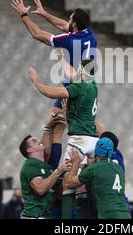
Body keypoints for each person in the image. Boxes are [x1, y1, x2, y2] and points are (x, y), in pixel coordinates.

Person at [11, 0, 98, 161]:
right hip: (88, 85)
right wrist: (44, 14)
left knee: (50, 129)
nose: (68, 20)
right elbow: (64, 25)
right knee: (65, 129)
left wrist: (24, 15)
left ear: (74, 24)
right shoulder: (88, 33)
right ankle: (106, 149)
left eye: (70, 18)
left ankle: (50, 168)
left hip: (74, 88)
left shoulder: (70, 40)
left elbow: (37, 34)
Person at [28, 59, 98, 218]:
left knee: (68, 183)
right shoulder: (92, 85)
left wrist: (36, 81)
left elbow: (49, 92)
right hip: (93, 140)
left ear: (82, 71)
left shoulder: (79, 88)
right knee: (86, 182)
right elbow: (74, 74)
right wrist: (61, 59)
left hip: (79, 140)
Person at [64, 138, 131, 219]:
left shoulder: (95, 168)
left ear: (97, 151)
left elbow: (69, 183)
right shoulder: (118, 168)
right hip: (125, 213)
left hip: (109, 215)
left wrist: (76, 163)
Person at [19, 134, 72, 219]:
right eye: (34, 141)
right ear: (29, 149)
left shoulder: (47, 167)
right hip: (34, 216)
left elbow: (57, 193)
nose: (39, 141)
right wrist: (59, 171)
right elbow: (40, 189)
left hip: (47, 215)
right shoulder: (30, 165)